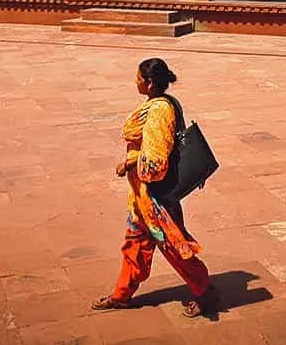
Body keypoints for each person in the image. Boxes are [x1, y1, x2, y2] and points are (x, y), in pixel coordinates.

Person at [93, 58, 218, 317]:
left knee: (174, 247)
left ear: (149, 83)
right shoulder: (159, 103)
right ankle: (122, 294)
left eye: (138, 77)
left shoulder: (160, 111)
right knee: (135, 244)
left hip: (154, 199)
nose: (135, 81)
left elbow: (156, 162)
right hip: (141, 199)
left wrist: (130, 162)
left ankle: (205, 292)